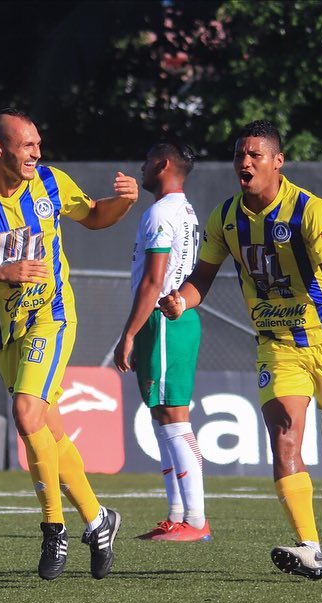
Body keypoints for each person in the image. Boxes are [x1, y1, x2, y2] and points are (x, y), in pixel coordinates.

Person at [159, 120, 322, 580]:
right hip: (277, 348)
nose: (244, 162)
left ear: (277, 162)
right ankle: (310, 548)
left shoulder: (310, 211)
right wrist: (182, 299)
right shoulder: (225, 217)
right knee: (284, 437)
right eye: (239, 154)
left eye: (255, 155)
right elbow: (203, 276)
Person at [0, 108, 137, 580]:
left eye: (38, 144)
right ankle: (98, 519)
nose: (36, 153)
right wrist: (0, 272)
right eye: (27, 145)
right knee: (48, 430)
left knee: (26, 413)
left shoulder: (51, 182)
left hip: (51, 317)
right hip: (5, 330)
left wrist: (124, 202)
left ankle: (54, 529)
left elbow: (95, 216)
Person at [113, 140, 209, 542]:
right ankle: (177, 514)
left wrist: (129, 333)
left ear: (164, 164)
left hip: (164, 320)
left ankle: (196, 521)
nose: (142, 166)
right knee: (162, 415)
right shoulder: (185, 210)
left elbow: (155, 279)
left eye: (148, 160)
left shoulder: (160, 212)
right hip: (171, 319)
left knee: (174, 415)